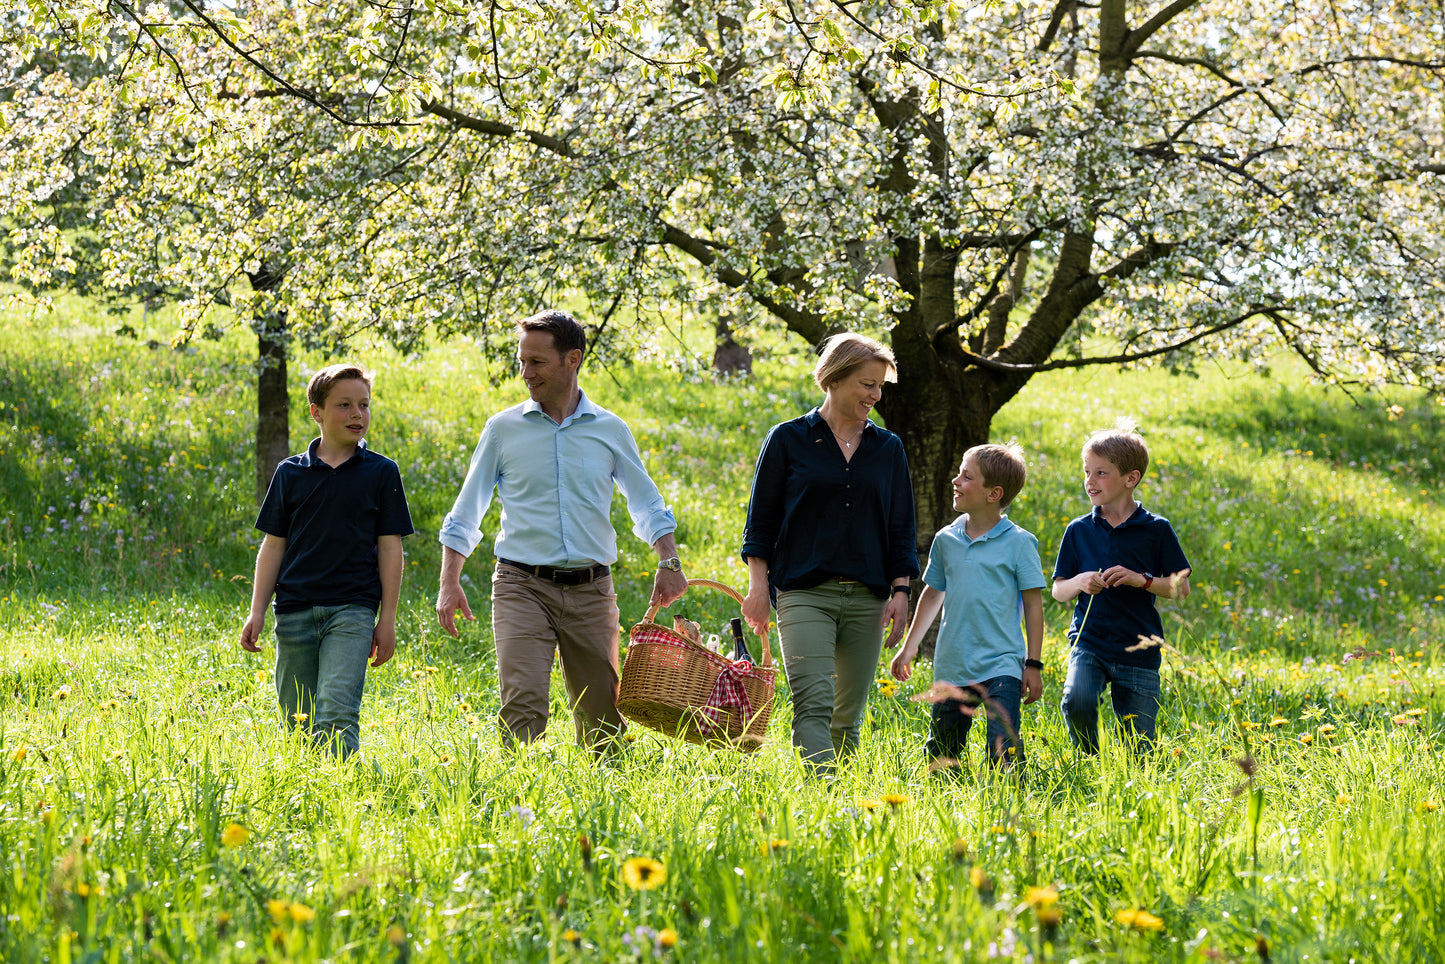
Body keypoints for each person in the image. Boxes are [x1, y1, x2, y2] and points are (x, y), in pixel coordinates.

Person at [436, 310, 687, 749]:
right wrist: (448, 580)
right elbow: (466, 511)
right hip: (521, 584)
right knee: (523, 705)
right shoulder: (503, 430)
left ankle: (605, 809)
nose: (525, 373)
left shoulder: (609, 429)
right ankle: (516, 807)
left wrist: (669, 560)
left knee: (602, 720)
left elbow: (647, 503)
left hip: (592, 590)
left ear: (573, 359)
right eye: (522, 361)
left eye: (536, 362)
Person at [740, 332, 919, 775]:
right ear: (834, 379)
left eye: (879, 386)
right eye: (866, 384)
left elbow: (901, 526)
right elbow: (759, 524)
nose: (875, 395)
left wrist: (901, 590)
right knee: (813, 705)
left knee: (847, 716)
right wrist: (758, 588)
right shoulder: (787, 440)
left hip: (869, 597)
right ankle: (823, 794)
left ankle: (838, 812)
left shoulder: (888, 448)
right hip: (803, 592)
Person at [240, 364, 413, 759]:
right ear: (316, 411)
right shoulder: (290, 473)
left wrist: (386, 620)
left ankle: (340, 795)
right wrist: (257, 611)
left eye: (364, 405)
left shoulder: (381, 472)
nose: (358, 414)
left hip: (353, 610)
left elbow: (391, 548)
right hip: (295, 611)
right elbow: (273, 546)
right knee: (296, 718)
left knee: (336, 713)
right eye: (345, 405)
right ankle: (304, 798)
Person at [889, 443, 1046, 771]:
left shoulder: (1020, 543)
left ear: (993, 493)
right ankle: (947, 804)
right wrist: (909, 647)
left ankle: (1009, 803)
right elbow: (932, 594)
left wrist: (1033, 663)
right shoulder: (947, 539)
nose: (955, 481)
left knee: (1002, 743)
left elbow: (1033, 604)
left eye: (966, 476)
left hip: (1002, 663)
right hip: (954, 663)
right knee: (943, 751)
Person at [1052, 417, 1192, 753]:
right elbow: (1058, 591)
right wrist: (1080, 582)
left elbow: (1180, 589)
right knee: (1077, 700)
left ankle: (1132, 778)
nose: (1090, 480)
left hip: (1139, 646)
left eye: (1101, 472)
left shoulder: (1156, 529)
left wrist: (1139, 580)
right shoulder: (1078, 530)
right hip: (1090, 640)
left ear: (1131, 478)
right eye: (1087, 471)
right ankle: (1089, 759)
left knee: (1140, 747)